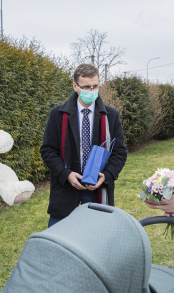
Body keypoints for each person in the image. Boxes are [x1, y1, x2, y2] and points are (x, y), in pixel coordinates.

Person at [40, 64, 127, 227]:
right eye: (86, 87)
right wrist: (66, 174)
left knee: (97, 239)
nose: (92, 91)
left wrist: (107, 175)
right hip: (65, 189)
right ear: (75, 86)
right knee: (60, 238)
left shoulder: (111, 116)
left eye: (95, 86)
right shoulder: (58, 115)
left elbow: (120, 152)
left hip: (97, 190)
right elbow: (48, 150)